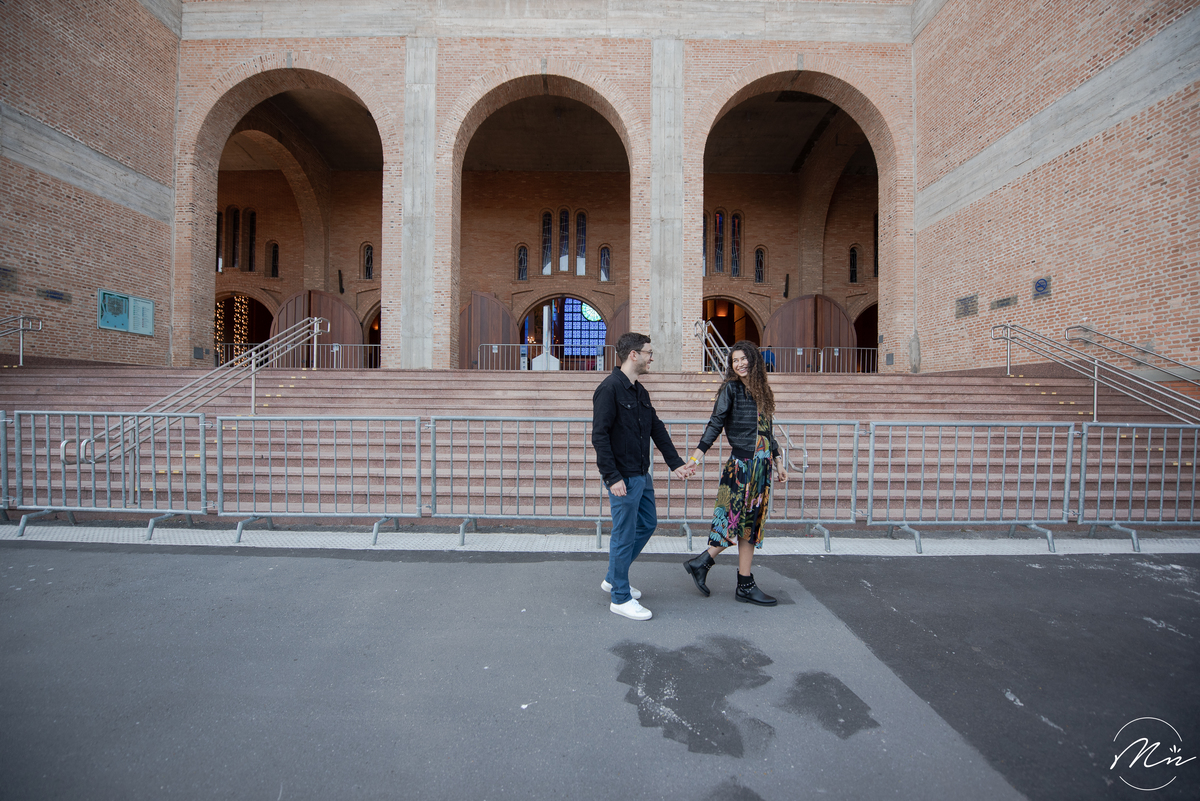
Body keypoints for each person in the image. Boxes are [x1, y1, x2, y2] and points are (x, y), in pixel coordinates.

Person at [592, 332, 693, 621]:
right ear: (633, 355)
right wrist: (612, 477)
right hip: (622, 477)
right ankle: (620, 597)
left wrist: (676, 463)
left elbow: (656, 428)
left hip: (641, 474)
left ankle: (613, 577)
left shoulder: (639, 391)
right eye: (649, 352)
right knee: (623, 536)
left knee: (648, 523)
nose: (652, 357)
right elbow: (599, 437)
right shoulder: (608, 389)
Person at [684, 340, 788, 605]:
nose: (739, 364)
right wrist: (695, 457)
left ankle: (736, 579)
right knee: (732, 522)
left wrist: (778, 460)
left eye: (744, 359)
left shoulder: (762, 391)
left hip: (762, 468)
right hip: (741, 467)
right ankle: (705, 563)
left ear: (754, 360)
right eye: (734, 361)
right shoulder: (731, 389)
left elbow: (768, 431)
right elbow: (715, 423)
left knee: (750, 527)